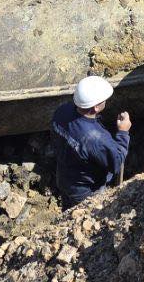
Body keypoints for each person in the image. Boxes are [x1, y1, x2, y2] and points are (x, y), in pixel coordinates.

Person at [51, 76, 132, 205]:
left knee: (68, 206)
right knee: (83, 214)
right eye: (104, 100)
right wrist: (123, 132)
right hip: (86, 190)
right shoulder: (96, 139)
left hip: (64, 176)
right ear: (95, 108)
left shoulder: (62, 110)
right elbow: (116, 162)